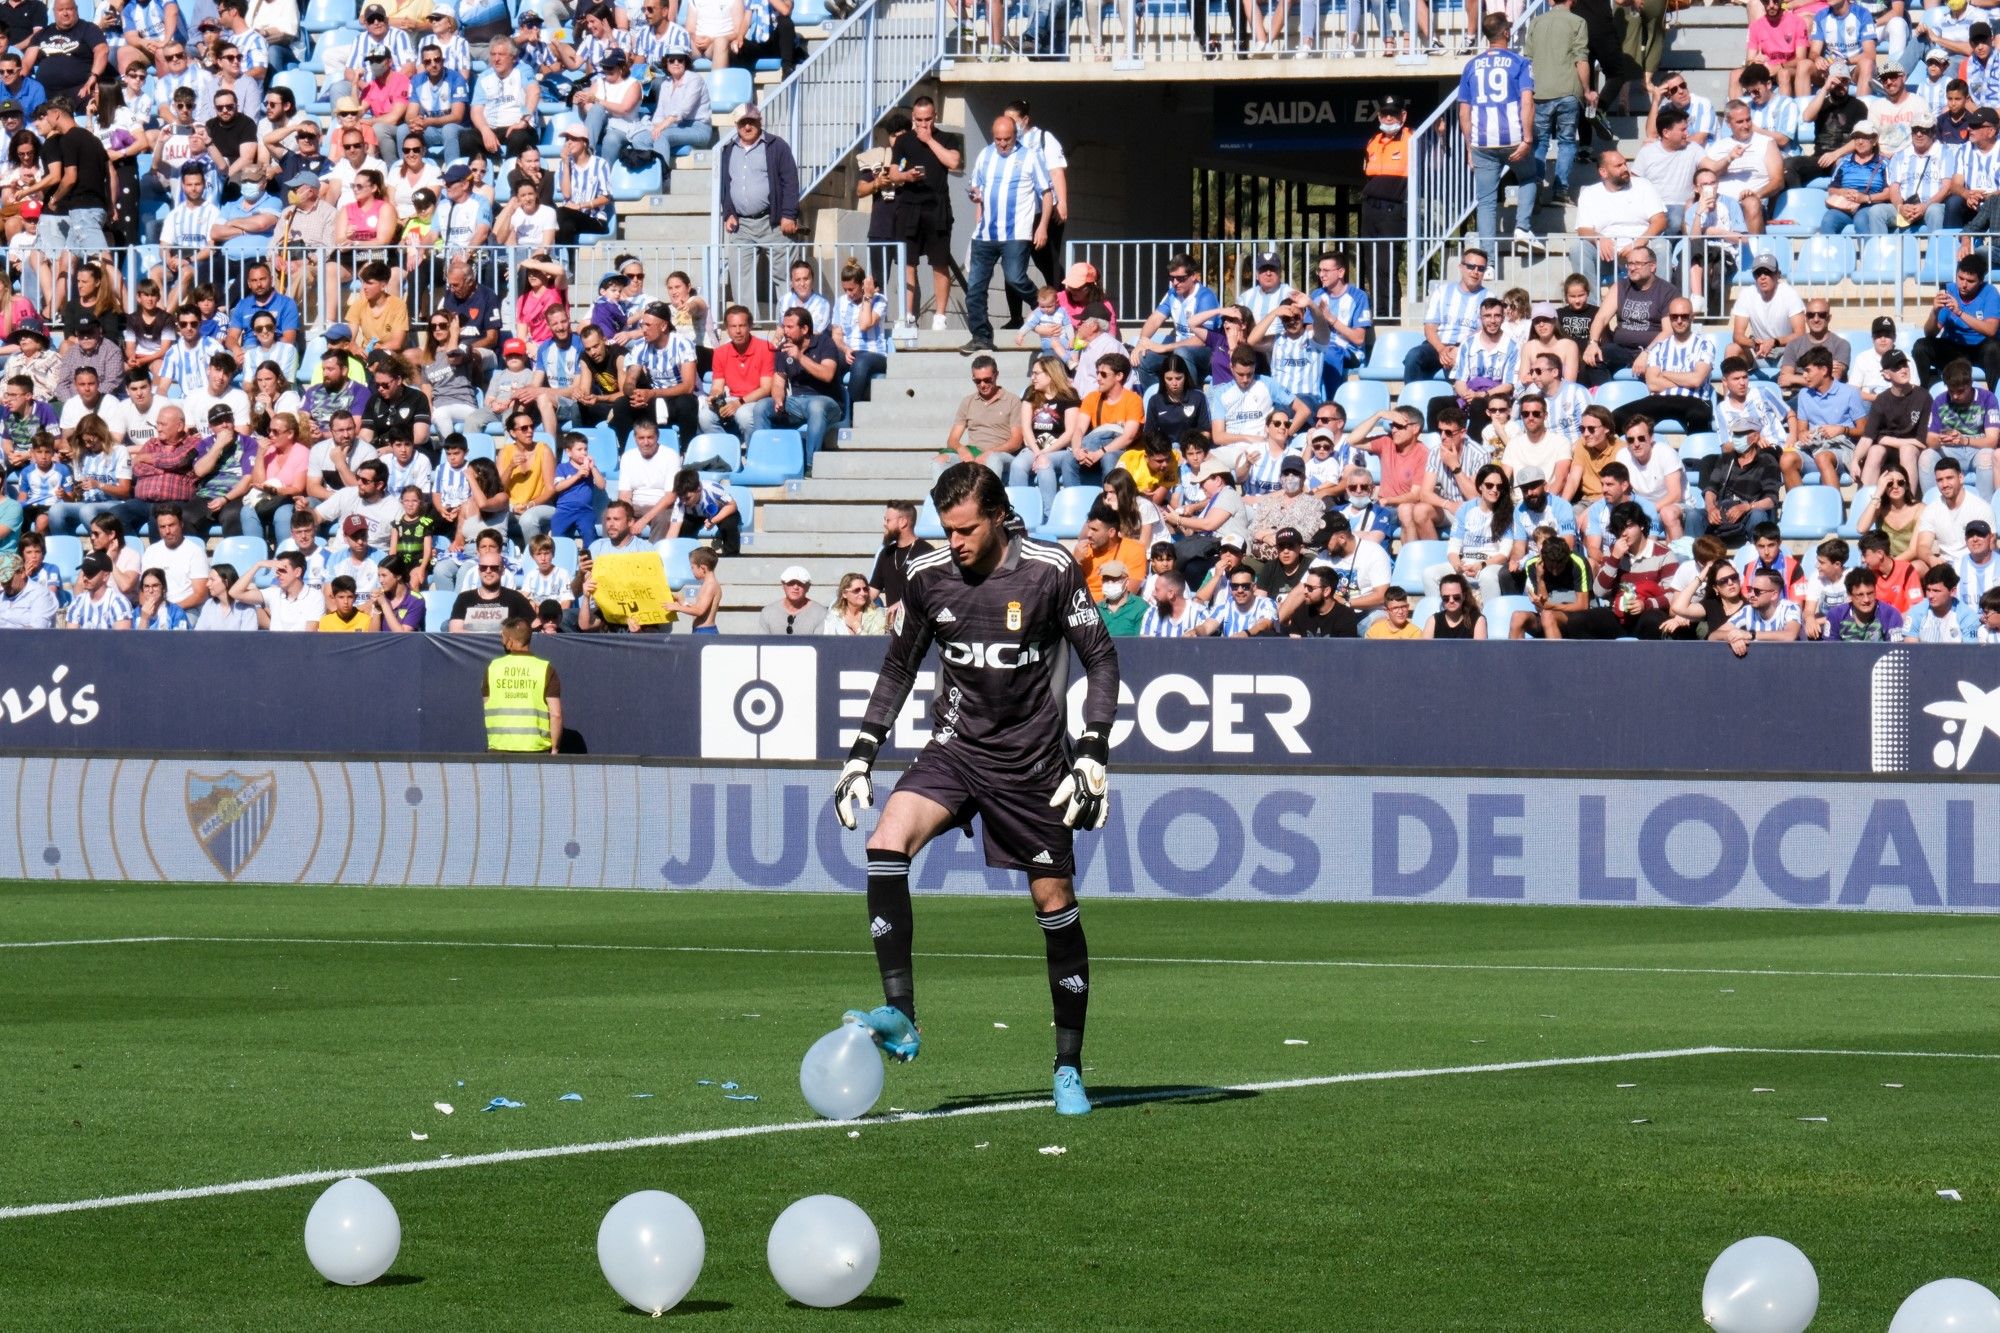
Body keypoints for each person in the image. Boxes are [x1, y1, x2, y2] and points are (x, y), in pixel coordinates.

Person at [831, 462, 1118, 1118]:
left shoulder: (1050, 569)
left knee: (1055, 902)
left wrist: (1094, 750)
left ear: (998, 517)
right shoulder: (927, 573)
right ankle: (901, 1015)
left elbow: (1101, 657)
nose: (954, 540)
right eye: (947, 528)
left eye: (965, 529)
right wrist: (861, 755)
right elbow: (900, 664)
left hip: (1035, 764)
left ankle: (1068, 1065)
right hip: (956, 750)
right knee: (885, 840)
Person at [959, 114, 1050, 356]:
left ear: (1015, 136)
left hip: (1016, 232)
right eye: (998, 139)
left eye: (1007, 139)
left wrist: (1042, 227)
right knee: (975, 288)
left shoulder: (1029, 157)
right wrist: (975, 196)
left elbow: (1047, 192)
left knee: (1015, 278)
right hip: (985, 233)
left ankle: (1040, 305)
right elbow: (976, 185)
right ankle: (981, 336)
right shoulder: (986, 155)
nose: (1002, 144)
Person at [1459, 15, 1536, 257]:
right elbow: (1527, 101)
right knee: (1529, 177)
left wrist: (1469, 147)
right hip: (1513, 136)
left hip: (1482, 141)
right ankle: (1522, 227)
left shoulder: (1471, 65)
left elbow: (1464, 110)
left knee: (1486, 202)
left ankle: (1488, 262)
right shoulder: (1519, 62)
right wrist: (1528, 138)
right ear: (1504, 33)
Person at [717, 105, 800, 324]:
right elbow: (726, 186)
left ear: (759, 121)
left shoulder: (776, 146)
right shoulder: (727, 150)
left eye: (751, 121)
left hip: (772, 222)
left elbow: (790, 181)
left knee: (783, 276)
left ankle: (790, 325)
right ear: (736, 125)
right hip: (742, 225)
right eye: (743, 122)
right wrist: (729, 213)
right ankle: (747, 328)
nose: (747, 126)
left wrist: (789, 214)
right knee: (741, 279)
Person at [483, 615, 562, 752]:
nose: (502, 642)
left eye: (502, 637)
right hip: (536, 750)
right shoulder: (545, 668)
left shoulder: (493, 668)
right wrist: (554, 748)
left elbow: (487, 704)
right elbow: (556, 714)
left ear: (510, 641)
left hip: (500, 748)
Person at [760, 563, 826, 634]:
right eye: (791, 582)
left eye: (801, 583)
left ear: (808, 587)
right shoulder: (768, 612)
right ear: (783, 585)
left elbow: (820, 644)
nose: (795, 587)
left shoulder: (820, 613)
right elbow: (762, 643)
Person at [821, 571, 888, 636]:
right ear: (844, 593)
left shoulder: (878, 615)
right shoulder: (835, 614)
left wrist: (859, 630)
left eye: (865, 589)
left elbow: (876, 644)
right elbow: (828, 640)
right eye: (857, 590)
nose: (862, 593)